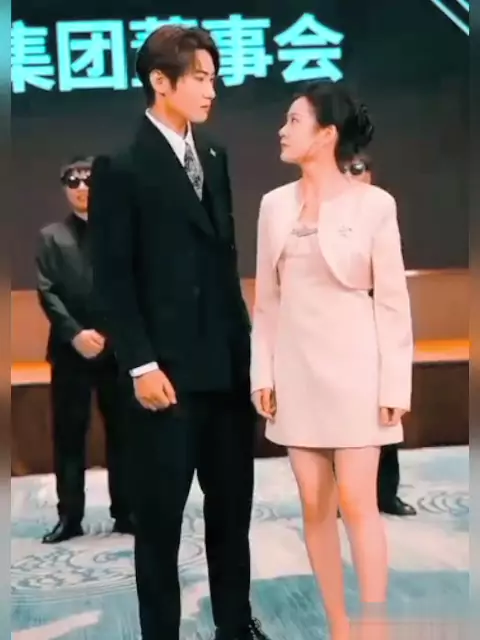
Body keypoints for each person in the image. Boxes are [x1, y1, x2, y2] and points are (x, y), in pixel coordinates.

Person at [88, 26, 270, 640]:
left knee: (232, 515)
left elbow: (223, 262)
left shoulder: (214, 155)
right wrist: (140, 364)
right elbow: (113, 278)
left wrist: (250, 358)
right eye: (200, 78)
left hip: (225, 369)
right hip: (162, 379)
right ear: (159, 81)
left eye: (214, 78)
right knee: (160, 525)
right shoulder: (120, 165)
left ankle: (234, 627)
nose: (211, 90)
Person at [250, 82, 413, 639]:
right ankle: (340, 626)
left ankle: (374, 627)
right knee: (314, 502)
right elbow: (267, 301)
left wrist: (395, 385)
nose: (282, 130)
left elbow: (392, 301)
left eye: (294, 121)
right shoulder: (274, 205)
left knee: (357, 500)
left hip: (357, 368)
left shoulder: (374, 204)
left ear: (326, 135)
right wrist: (263, 372)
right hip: (296, 370)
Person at [36, 156, 132, 544]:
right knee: (69, 436)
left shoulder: (122, 232)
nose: (81, 188)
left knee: (123, 434)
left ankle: (126, 511)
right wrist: (75, 334)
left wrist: (110, 334)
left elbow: (132, 287)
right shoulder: (51, 236)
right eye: (72, 181)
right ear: (65, 188)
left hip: (116, 350)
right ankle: (69, 516)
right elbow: (47, 291)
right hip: (69, 352)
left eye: (88, 180)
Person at [343, 153, 416, 518]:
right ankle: (341, 497)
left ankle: (386, 494)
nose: (353, 176)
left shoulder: (381, 212)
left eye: (359, 169)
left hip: (377, 327)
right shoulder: (321, 213)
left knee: (383, 415)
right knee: (340, 418)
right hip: (338, 331)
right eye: (346, 170)